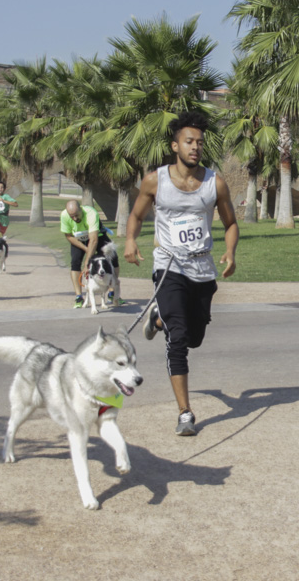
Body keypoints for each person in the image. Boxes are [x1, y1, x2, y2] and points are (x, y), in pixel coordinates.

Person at [125, 110, 239, 436]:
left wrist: (230, 251)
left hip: (202, 269)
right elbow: (136, 215)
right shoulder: (154, 181)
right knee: (178, 340)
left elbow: (231, 224)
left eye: (200, 143)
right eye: (189, 141)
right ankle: (185, 413)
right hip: (168, 266)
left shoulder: (213, 183)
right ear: (175, 145)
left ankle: (158, 319)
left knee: (194, 339)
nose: (195, 147)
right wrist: (131, 239)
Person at [60, 199, 119, 308]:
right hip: (78, 239)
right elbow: (68, 236)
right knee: (75, 262)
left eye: (76, 215)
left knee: (112, 257)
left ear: (81, 209)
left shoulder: (91, 213)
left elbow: (94, 240)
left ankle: (111, 292)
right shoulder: (64, 215)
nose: (74, 218)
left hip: (97, 237)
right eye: (71, 216)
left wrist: (87, 262)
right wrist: (86, 249)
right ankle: (78, 297)